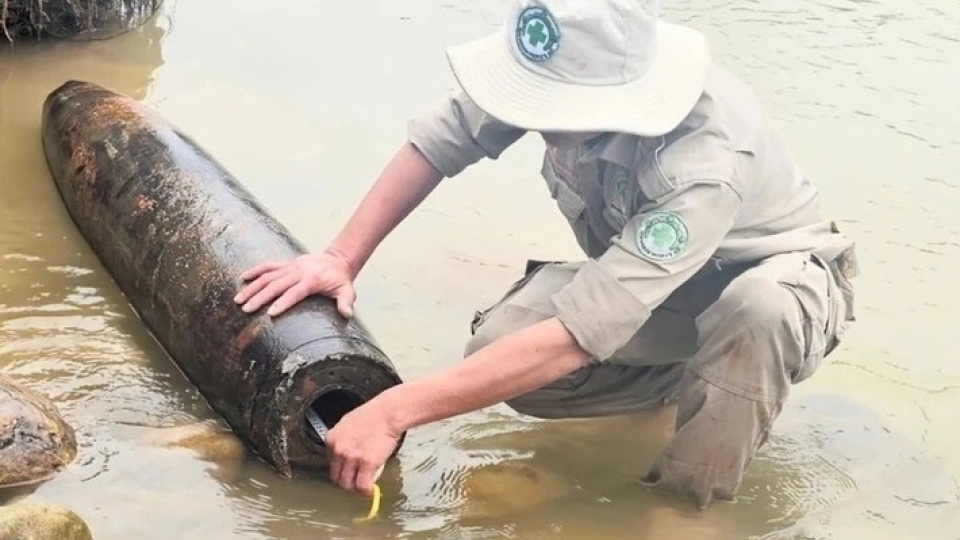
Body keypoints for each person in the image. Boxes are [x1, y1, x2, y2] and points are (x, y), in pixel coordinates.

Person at [233, 0, 858, 509]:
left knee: (758, 310)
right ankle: (676, 394)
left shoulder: (705, 162)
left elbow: (577, 336)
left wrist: (394, 411)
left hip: (773, 287)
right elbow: (442, 140)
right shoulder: (563, 59)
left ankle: (685, 501)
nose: (532, 115)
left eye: (551, 106)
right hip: (664, 295)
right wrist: (342, 257)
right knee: (499, 349)